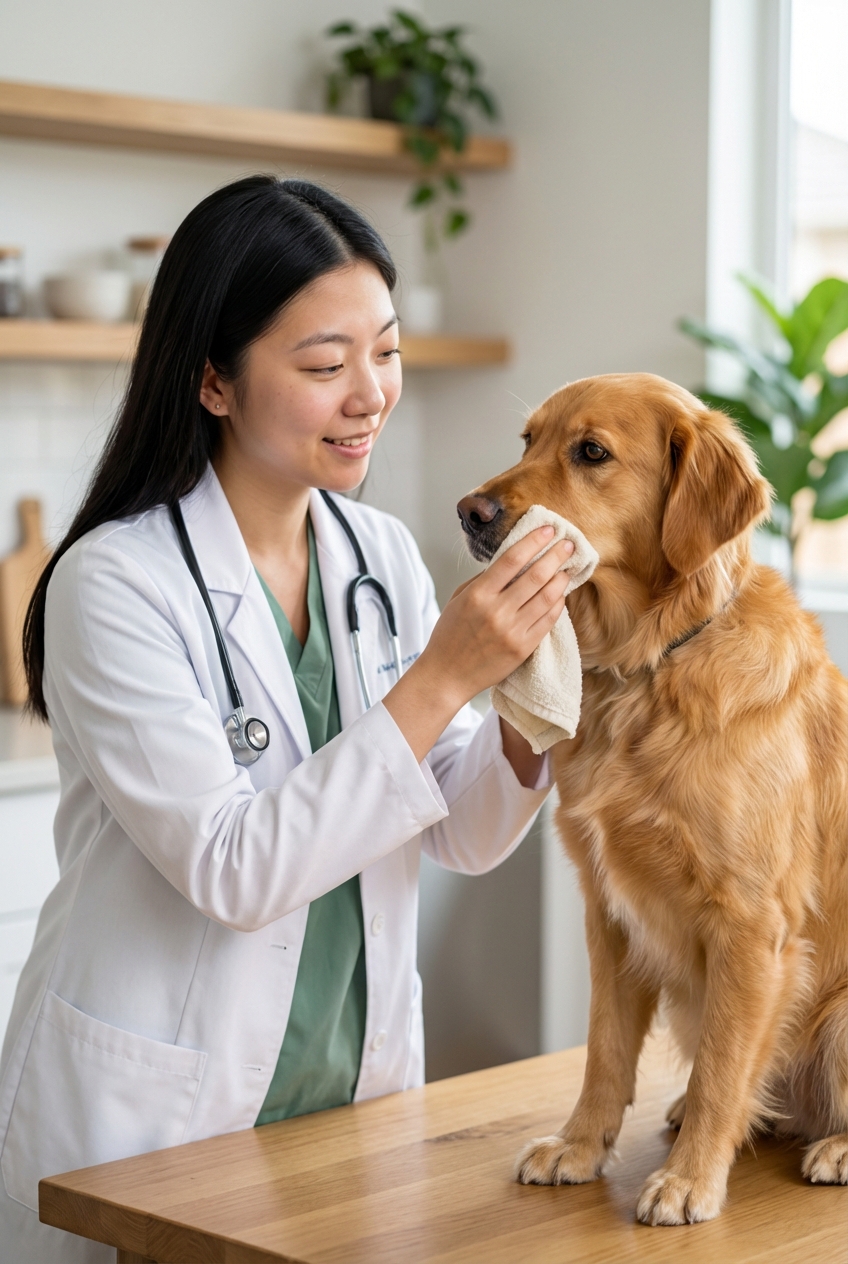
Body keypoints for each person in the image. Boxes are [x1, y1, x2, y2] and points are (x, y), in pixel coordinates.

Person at [0, 176, 572, 1262]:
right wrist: (446, 674)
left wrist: (530, 696)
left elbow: (458, 827)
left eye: (385, 352)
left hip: (347, 1107)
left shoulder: (379, 555)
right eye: (323, 366)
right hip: (158, 1125)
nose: (370, 394)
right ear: (212, 379)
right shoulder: (114, 583)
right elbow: (237, 870)